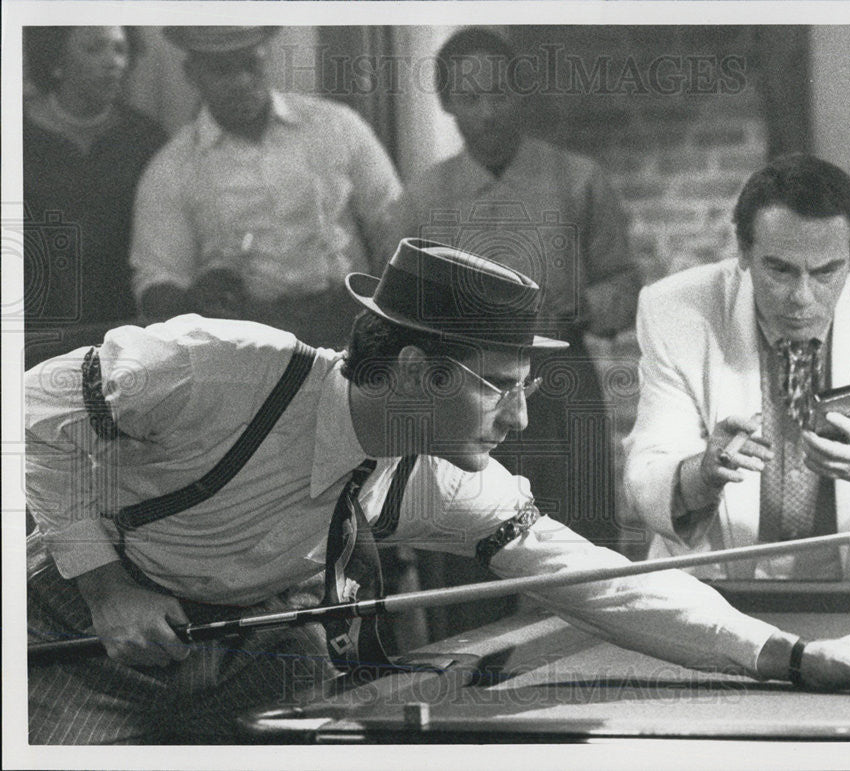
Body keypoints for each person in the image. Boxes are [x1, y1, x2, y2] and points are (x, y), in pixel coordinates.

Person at [26, 238, 850, 744]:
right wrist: (106, 582)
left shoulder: (435, 478)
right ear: (418, 369)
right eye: (501, 382)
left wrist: (786, 654)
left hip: (259, 645)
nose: (518, 411)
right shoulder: (225, 369)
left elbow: (595, 576)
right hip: (81, 639)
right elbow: (29, 407)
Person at [623, 154, 850, 579]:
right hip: (717, 587)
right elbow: (647, 473)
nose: (802, 297)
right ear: (743, 252)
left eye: (827, 271)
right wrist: (701, 474)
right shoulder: (675, 309)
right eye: (780, 270)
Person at [379, 27, 639, 552]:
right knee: (467, 543)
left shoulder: (577, 179)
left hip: (560, 380)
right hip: (459, 389)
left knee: (580, 544)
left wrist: (586, 304)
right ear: (448, 102)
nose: (488, 113)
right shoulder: (421, 201)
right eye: (471, 99)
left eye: (499, 93)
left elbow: (625, 284)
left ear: (519, 93)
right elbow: (393, 318)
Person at [129, 26, 401, 349]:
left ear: (268, 59)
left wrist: (381, 313)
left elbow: (396, 227)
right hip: (246, 346)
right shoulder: (171, 168)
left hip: (350, 327)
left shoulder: (337, 127)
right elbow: (156, 282)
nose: (242, 82)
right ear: (192, 74)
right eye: (222, 70)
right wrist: (193, 299)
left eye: (252, 65)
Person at [22, 26, 166, 339]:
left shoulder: (145, 138)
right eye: (94, 49)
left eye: (120, 49)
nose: (114, 62)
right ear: (54, 57)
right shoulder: (15, 131)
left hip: (122, 329)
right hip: (29, 329)